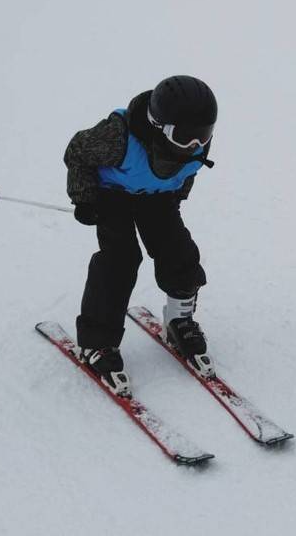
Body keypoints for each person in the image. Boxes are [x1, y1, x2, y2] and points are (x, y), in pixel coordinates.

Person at [63, 75, 217, 396]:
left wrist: (176, 199)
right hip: (112, 194)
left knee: (179, 252)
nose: (195, 145)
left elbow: (188, 171)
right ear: (159, 127)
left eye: (202, 136)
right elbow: (78, 151)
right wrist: (84, 197)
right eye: (185, 136)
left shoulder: (196, 146)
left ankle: (178, 320)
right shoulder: (117, 137)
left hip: (157, 197)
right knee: (120, 260)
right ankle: (98, 343)